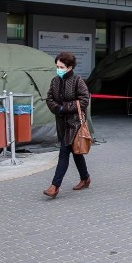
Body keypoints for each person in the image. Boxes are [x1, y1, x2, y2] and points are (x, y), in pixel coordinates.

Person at [43, 52, 91, 199]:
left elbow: (84, 100)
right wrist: (57, 109)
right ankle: (85, 178)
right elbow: (49, 98)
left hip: (75, 123)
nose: (59, 69)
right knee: (76, 153)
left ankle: (55, 186)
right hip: (62, 124)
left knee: (64, 153)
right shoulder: (55, 81)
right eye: (57, 66)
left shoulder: (78, 81)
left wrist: (65, 108)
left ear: (69, 67)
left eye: (61, 67)